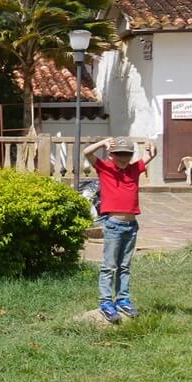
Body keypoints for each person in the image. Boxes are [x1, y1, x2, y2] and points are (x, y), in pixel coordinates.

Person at [82, 135, 157, 323]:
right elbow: (86, 153)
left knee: (125, 266)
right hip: (113, 225)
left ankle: (122, 299)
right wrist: (103, 142)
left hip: (131, 226)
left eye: (127, 154)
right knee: (109, 266)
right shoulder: (105, 168)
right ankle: (105, 302)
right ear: (111, 155)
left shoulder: (133, 169)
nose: (123, 158)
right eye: (119, 154)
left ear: (131, 155)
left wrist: (151, 149)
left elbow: (151, 156)